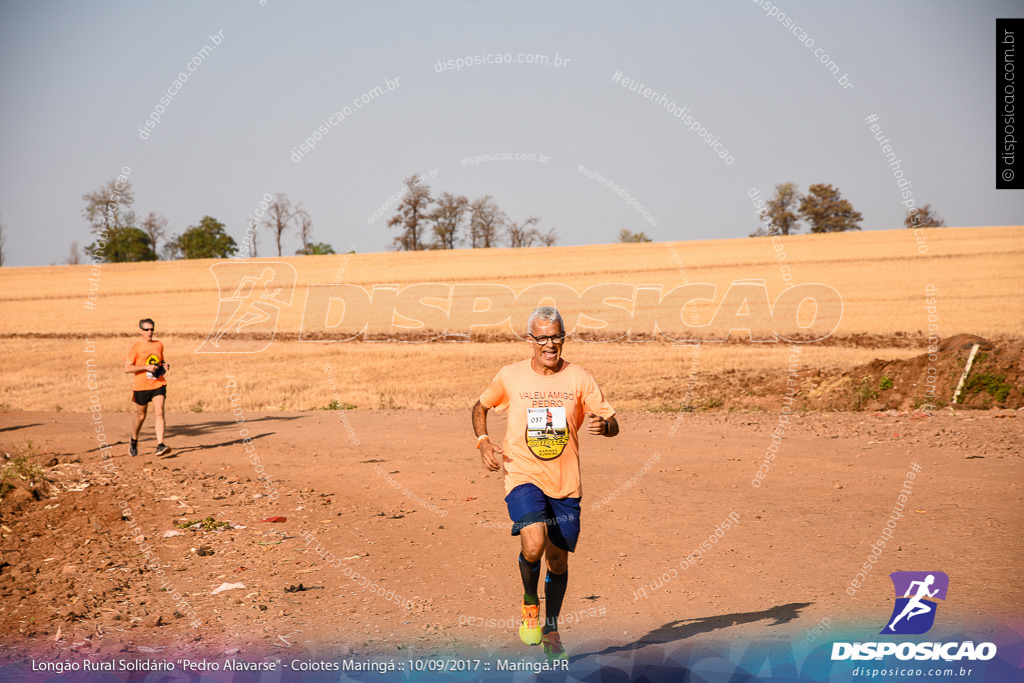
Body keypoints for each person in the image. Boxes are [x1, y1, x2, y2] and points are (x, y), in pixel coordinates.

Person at [472, 306, 619, 661]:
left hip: (565, 484)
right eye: (542, 337)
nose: (549, 344)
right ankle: (528, 602)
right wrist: (483, 442)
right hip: (522, 474)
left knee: (557, 562)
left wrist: (605, 428)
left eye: (556, 336)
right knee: (534, 542)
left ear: (563, 338)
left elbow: (611, 421)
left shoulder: (580, 378)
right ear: (530, 340)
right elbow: (480, 406)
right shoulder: (510, 376)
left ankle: (551, 628)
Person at [124, 318, 170, 456]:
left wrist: (164, 366)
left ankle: (160, 445)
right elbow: (127, 368)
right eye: (146, 329)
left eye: (152, 329)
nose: (149, 332)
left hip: (158, 383)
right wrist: (145, 367)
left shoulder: (159, 344)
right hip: (141, 386)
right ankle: (134, 439)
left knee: (159, 412)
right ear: (140, 331)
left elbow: (159, 362)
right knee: (141, 415)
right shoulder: (136, 347)